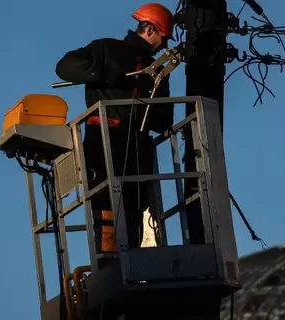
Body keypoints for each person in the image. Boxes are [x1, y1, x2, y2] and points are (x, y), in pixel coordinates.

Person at [55, 3, 175, 264]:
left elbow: (164, 120)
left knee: (134, 208)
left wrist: (152, 97)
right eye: (163, 38)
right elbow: (65, 67)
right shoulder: (107, 49)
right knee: (106, 203)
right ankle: (108, 264)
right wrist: (102, 73)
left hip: (136, 149)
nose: (164, 45)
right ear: (150, 29)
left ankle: (130, 260)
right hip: (104, 142)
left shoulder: (157, 71)